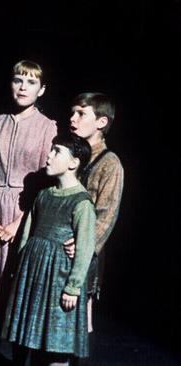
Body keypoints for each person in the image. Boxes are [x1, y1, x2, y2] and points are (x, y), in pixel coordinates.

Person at [0, 60, 57, 360]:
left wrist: (19, 222)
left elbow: (46, 183)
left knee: (18, 296)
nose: (23, 87)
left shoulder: (47, 127)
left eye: (31, 82)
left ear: (42, 89)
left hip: (24, 213)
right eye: (18, 80)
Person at [3, 133, 96, 365]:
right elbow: (26, 235)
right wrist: (20, 267)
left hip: (59, 278)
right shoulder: (43, 195)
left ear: (74, 162)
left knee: (55, 344)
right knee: (25, 339)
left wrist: (73, 288)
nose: (49, 156)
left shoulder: (81, 202)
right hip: (33, 275)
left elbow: (85, 248)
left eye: (57, 152)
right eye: (51, 150)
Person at [66, 92, 123, 363]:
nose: (72, 119)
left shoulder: (109, 163)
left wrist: (84, 245)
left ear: (101, 122)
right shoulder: (70, 153)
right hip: (58, 248)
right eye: (72, 112)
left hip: (83, 254)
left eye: (81, 114)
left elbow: (106, 215)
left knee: (77, 322)